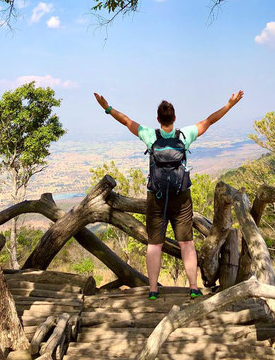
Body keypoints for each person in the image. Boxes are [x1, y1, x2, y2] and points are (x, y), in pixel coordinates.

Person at [94, 91, 244, 299]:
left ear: (158, 119)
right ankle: (193, 287)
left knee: (154, 244)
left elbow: (126, 121)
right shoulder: (185, 135)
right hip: (181, 197)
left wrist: (107, 108)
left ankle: (154, 289)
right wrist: (230, 105)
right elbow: (209, 120)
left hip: (156, 197)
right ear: (175, 118)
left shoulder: (149, 135)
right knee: (187, 243)